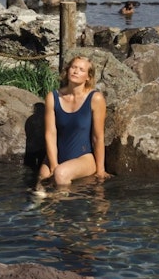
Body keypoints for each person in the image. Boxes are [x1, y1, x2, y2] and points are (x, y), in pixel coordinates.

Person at [37, 55, 109, 189]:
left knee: (60, 174)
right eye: (73, 67)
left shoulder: (95, 98)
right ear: (68, 70)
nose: (76, 71)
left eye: (81, 69)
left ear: (88, 77)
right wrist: (53, 165)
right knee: (41, 183)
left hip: (84, 158)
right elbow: (50, 134)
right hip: (57, 155)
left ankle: (64, 207)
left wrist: (100, 170)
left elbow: (97, 137)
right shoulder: (53, 97)